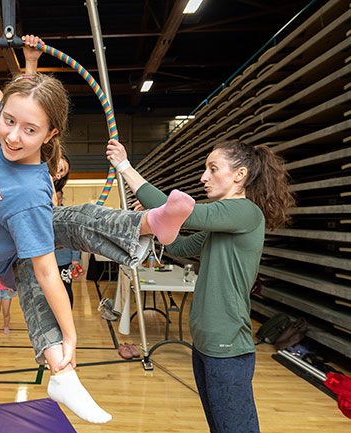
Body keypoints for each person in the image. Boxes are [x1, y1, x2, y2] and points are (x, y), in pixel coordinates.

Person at [0, 35, 195, 424]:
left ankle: (150, 223)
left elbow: (49, 270)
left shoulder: (31, 191)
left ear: (50, 135)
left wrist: (70, 335)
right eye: (8, 121)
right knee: (45, 243)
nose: (13, 136)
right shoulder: (13, 145)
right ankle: (144, 228)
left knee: (52, 234)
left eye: (29, 130)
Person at [105, 138, 294, 433]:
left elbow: (183, 212)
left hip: (228, 347)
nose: (204, 177)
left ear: (239, 175)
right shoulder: (221, 223)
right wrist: (156, 221)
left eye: (213, 169)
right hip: (205, 344)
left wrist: (125, 167)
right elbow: (179, 246)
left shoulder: (245, 212)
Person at [54, 190, 81, 308]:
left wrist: (75, 259)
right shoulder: (43, 215)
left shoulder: (67, 216)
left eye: (60, 198)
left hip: (66, 261)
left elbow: (75, 239)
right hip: (49, 262)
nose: (57, 201)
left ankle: (67, 312)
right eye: (55, 198)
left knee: (66, 287)